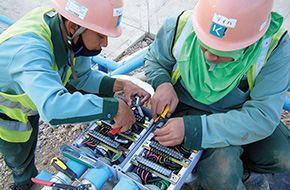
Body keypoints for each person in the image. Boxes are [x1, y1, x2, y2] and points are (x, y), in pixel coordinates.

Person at [0, 0, 150, 189]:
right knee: (18, 155)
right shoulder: (30, 50)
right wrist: (113, 108)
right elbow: (53, 108)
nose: (105, 43)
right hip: (6, 115)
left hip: (30, 100)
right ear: (73, 27)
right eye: (101, 35)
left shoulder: (66, 30)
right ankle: (24, 184)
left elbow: (82, 77)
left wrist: (121, 84)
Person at [144, 0, 290, 189]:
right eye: (205, 45)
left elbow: (262, 116)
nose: (209, 57)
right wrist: (162, 83)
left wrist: (195, 130)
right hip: (185, 109)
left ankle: (224, 164)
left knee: (282, 156)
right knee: (222, 171)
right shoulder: (180, 25)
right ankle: (212, 168)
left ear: (251, 41)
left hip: (241, 116)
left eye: (221, 52)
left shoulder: (276, 49)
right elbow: (155, 60)